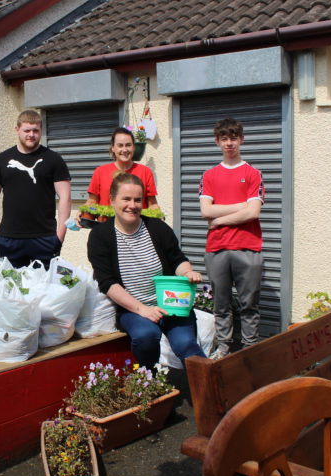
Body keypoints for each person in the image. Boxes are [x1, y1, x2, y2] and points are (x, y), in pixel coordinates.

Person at [87, 173, 205, 371]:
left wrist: (188, 273)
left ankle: (215, 391)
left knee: (186, 345)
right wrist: (143, 310)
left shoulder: (157, 228)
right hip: (134, 308)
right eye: (126, 199)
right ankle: (148, 380)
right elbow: (106, 282)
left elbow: (178, 260)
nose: (132, 205)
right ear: (112, 200)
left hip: (171, 303)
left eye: (137, 200)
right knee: (146, 336)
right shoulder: (100, 236)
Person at [199, 118, 264, 359]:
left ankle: (250, 351)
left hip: (248, 247)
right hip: (217, 248)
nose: (229, 143)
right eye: (224, 138)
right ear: (217, 142)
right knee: (221, 305)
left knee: (249, 305)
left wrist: (219, 220)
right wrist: (239, 207)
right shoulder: (210, 175)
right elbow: (206, 211)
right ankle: (224, 349)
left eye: (233, 138)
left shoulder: (253, 173)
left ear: (241, 140)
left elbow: (253, 212)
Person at [0, 109, 72, 268]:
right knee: (12, 288)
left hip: (46, 238)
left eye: (35, 130)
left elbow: (65, 198)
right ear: (17, 129)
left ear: (41, 131)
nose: (31, 134)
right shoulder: (1, 160)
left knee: (46, 290)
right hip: (9, 238)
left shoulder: (54, 160)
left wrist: (60, 236)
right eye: (27, 130)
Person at [75, 127, 159, 226]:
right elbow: (92, 201)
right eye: (120, 145)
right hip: (106, 227)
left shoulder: (145, 172)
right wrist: (82, 211)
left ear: (133, 147)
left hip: (137, 229)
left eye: (128, 145)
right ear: (113, 148)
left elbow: (152, 204)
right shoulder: (100, 172)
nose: (124, 149)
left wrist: (159, 215)